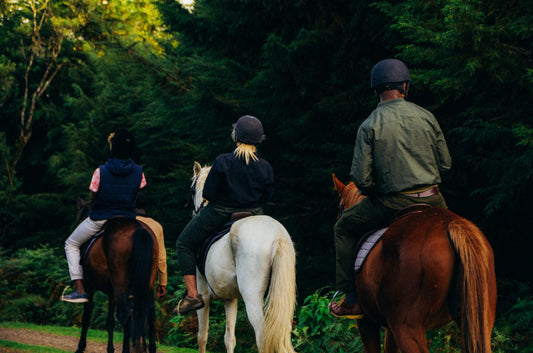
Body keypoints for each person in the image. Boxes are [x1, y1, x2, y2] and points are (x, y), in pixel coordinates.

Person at [329, 59, 452, 318]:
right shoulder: (427, 116)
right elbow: (446, 164)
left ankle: (351, 298)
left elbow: (360, 180)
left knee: (343, 227)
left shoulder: (369, 124)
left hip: (392, 202)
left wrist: (376, 190)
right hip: (434, 200)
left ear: (377, 90)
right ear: (405, 86)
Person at [175, 115, 274, 315]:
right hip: (255, 214)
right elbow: (268, 197)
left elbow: (209, 194)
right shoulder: (265, 166)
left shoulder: (223, 161)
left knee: (183, 243)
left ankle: (193, 296)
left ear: (236, 137)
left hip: (221, 212)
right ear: (258, 140)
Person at [62, 130, 147, 303]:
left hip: (101, 217)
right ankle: (132, 287)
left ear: (113, 149)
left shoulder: (100, 171)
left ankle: (79, 288)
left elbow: (93, 194)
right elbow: (137, 191)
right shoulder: (139, 172)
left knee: (71, 243)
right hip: (128, 218)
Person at [136, 192, 168, 297]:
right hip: (149, 276)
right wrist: (162, 283)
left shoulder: (125, 224)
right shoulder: (157, 226)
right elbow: (161, 257)